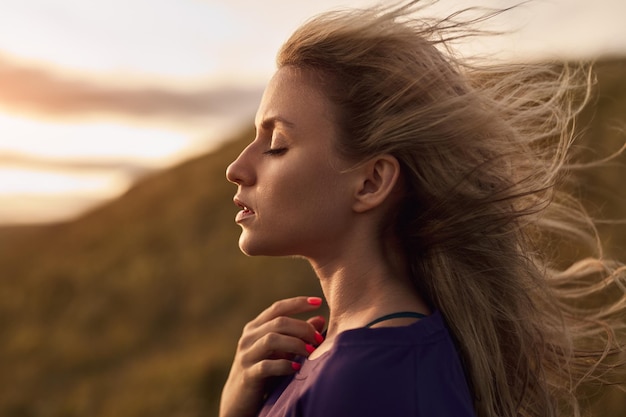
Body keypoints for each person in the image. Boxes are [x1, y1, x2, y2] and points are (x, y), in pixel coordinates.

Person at [220, 1, 626, 416]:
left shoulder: (369, 378)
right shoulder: (352, 356)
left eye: (277, 145)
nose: (236, 168)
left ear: (372, 181)